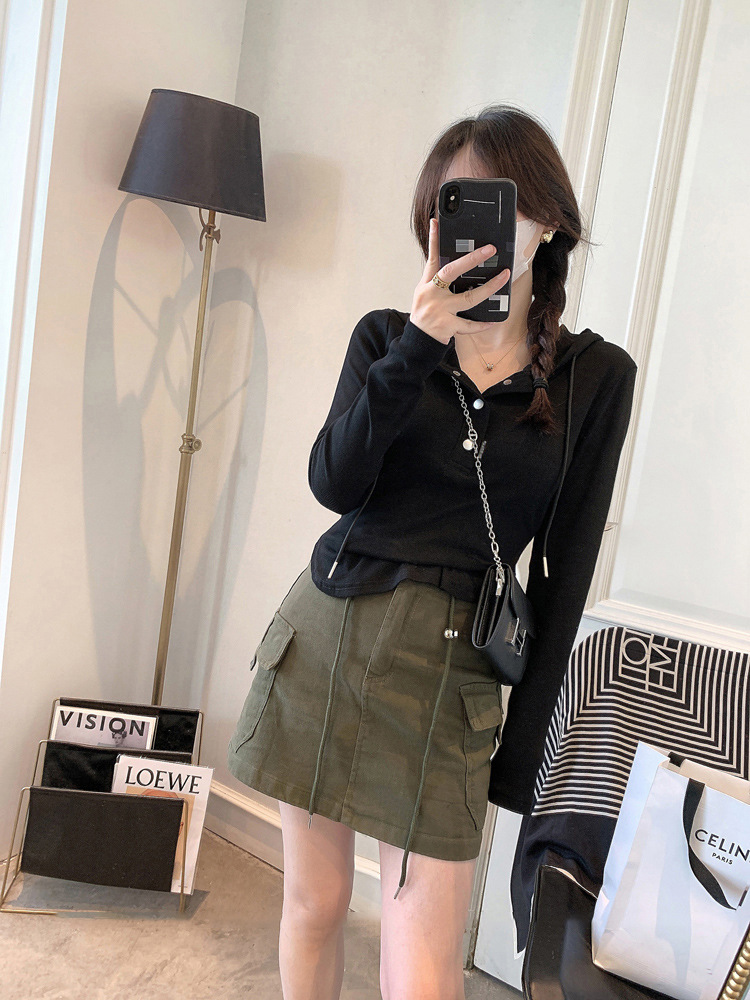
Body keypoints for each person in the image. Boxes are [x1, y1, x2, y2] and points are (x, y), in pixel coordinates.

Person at [227, 103, 637, 1000]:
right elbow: (333, 482)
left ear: (546, 220)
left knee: (422, 963)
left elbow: (563, 576)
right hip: (326, 639)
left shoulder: (595, 377)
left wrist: (520, 757)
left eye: (499, 200)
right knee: (314, 904)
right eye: (454, 203)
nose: (473, 225)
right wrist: (419, 344)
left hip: (453, 682)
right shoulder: (387, 338)